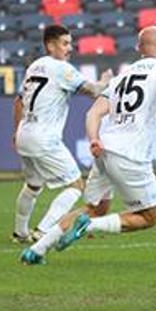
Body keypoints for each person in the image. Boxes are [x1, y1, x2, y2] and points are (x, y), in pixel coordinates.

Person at [21, 27, 156, 264]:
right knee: (148, 217)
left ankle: (36, 250)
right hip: (131, 154)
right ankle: (88, 227)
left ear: (138, 49)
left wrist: (94, 138)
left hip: (104, 150)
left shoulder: (121, 77)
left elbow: (93, 112)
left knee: (95, 207)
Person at [12, 25, 112, 248]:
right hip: (43, 137)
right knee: (76, 185)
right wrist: (105, 81)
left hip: (24, 134)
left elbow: (18, 101)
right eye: (65, 43)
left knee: (33, 185)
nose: (70, 48)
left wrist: (15, 130)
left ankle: (20, 232)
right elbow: (93, 91)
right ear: (50, 45)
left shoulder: (35, 66)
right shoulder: (61, 68)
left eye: (70, 43)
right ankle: (44, 230)